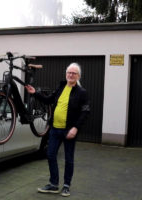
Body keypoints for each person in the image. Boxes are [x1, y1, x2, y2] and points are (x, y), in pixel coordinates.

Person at [25, 63, 90, 197]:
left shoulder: (81, 92)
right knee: (50, 155)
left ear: (78, 76)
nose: (71, 75)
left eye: (74, 73)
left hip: (69, 131)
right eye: (69, 73)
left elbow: (85, 112)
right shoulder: (61, 86)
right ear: (66, 74)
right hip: (55, 129)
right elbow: (49, 100)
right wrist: (35, 93)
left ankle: (66, 186)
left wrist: (75, 128)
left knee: (69, 159)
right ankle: (54, 184)